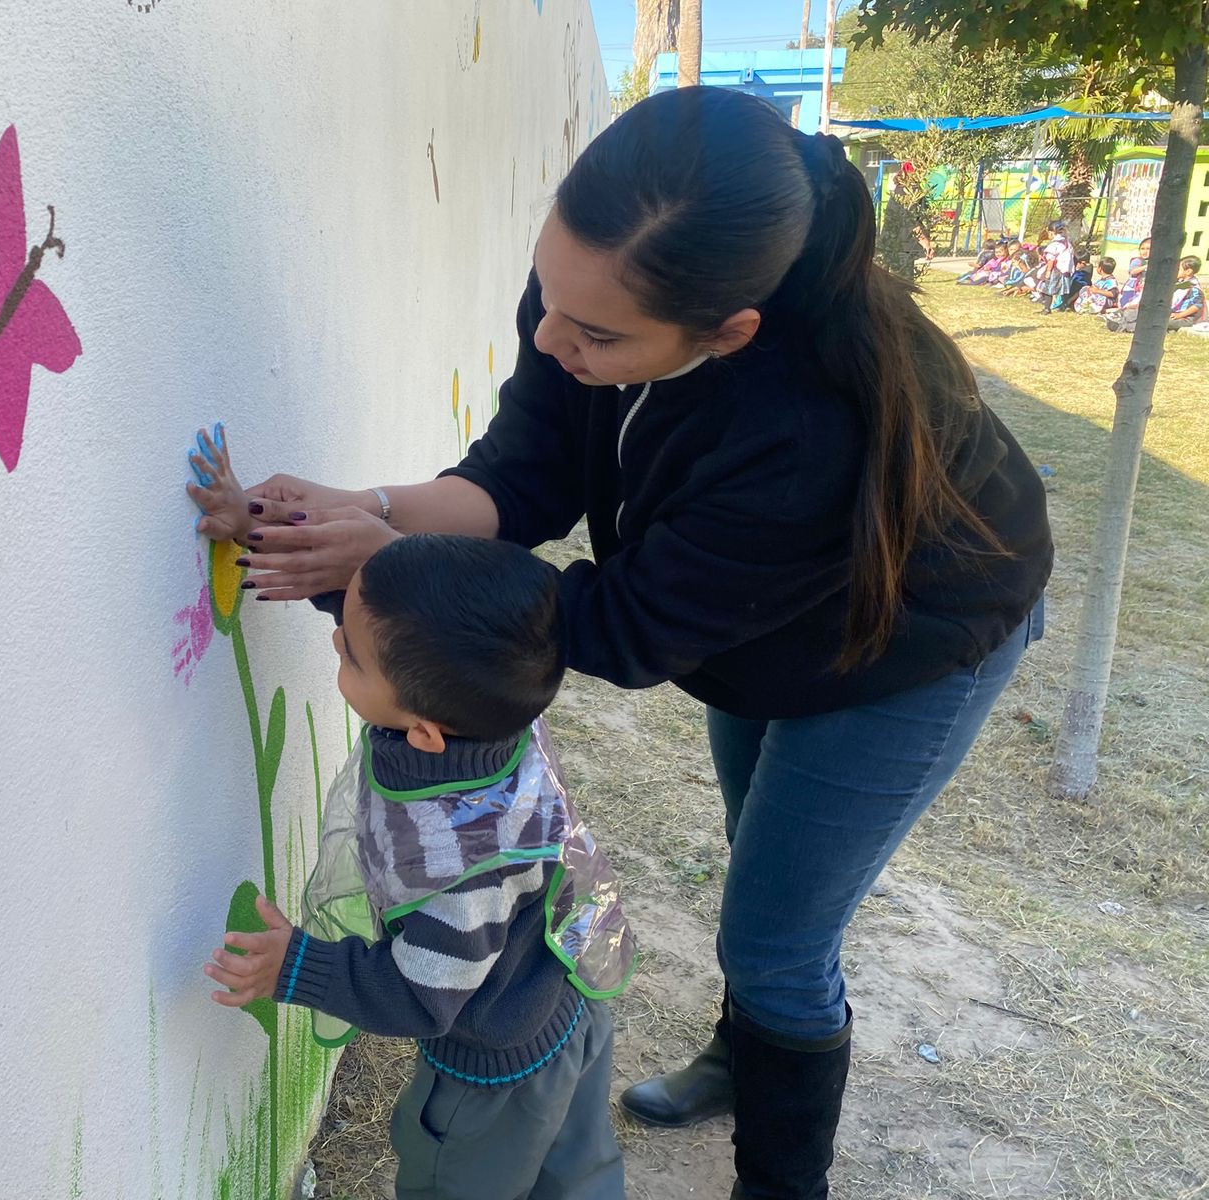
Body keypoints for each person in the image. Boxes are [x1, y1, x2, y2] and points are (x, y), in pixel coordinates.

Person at [211, 88, 1052, 1200]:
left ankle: (780, 1176)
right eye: (547, 297)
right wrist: (354, 508)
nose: (553, 341)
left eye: (594, 335)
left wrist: (374, 573)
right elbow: (521, 475)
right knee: (761, 854)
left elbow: (620, 623)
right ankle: (742, 1052)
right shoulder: (588, 292)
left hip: (900, 646)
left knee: (776, 940)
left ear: (726, 332)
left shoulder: (804, 429)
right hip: (750, 626)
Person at [193, 463, 634, 1199]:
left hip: (493, 1077)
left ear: (425, 733)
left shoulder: (459, 865)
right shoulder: (495, 692)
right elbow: (378, 612)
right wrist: (254, 528)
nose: (339, 643)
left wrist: (297, 967)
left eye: (350, 655)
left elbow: (425, 996)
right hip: (568, 1005)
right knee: (578, 1174)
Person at [1169, 255, 1204, 330]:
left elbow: (1197, 305)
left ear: (1188, 271)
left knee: (1164, 322)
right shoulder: (1181, 282)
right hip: (1174, 313)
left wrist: (1180, 315)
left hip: (1187, 318)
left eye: (1178, 269)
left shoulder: (1193, 287)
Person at [1117, 236, 1152, 309]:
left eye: (1148, 249)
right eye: (1142, 249)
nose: (1145, 251)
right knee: (1127, 303)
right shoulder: (1137, 261)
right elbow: (1132, 271)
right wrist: (1145, 267)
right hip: (1132, 287)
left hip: (1143, 287)